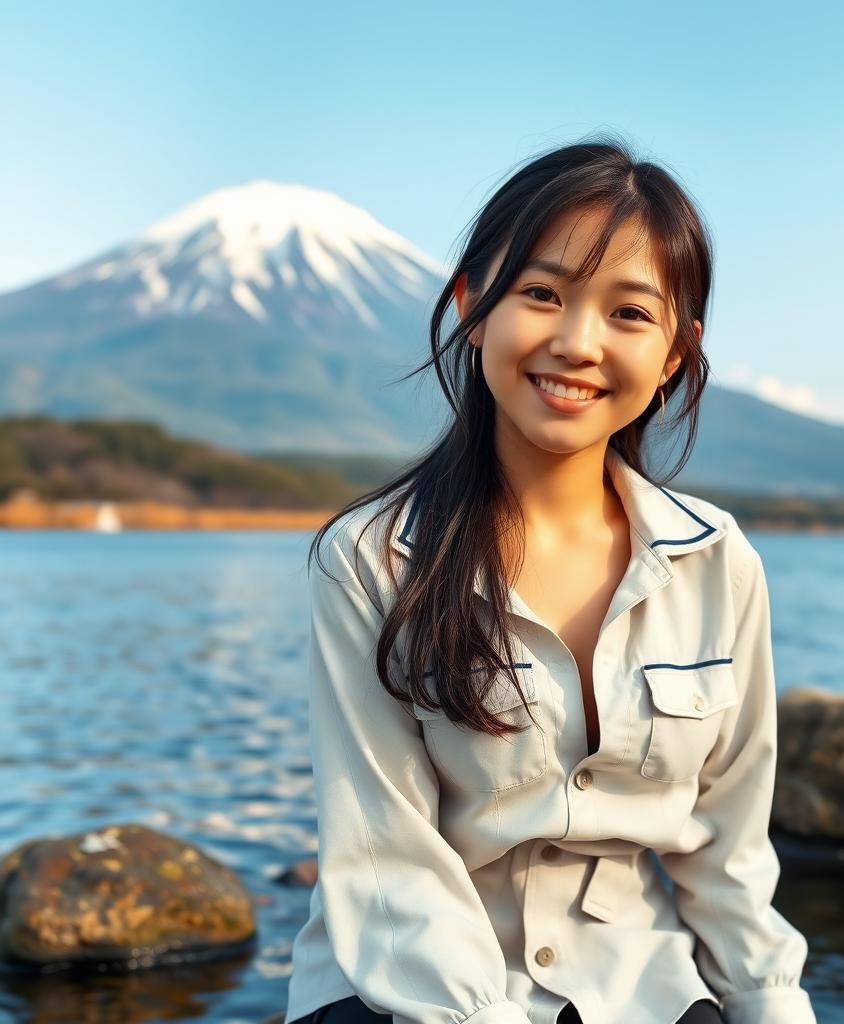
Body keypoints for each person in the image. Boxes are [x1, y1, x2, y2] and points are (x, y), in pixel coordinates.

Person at [284, 135, 816, 1024]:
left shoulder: (717, 562)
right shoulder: (369, 560)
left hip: (640, 988)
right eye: (541, 295)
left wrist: (769, 1006)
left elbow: (728, 851)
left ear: (677, 352)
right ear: (471, 308)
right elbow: (388, 858)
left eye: (628, 313)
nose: (576, 343)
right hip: (405, 989)